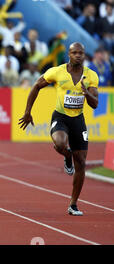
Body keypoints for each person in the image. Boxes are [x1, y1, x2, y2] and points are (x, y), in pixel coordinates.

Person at [19, 42, 99, 216]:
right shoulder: (57, 71)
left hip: (78, 120)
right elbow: (36, 86)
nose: (78, 55)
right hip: (61, 117)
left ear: (84, 55)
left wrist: (87, 94)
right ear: (68, 54)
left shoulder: (91, 75)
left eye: (81, 53)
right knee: (60, 143)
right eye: (74, 52)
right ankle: (67, 155)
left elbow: (95, 104)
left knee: (82, 163)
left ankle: (73, 204)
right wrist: (27, 112)